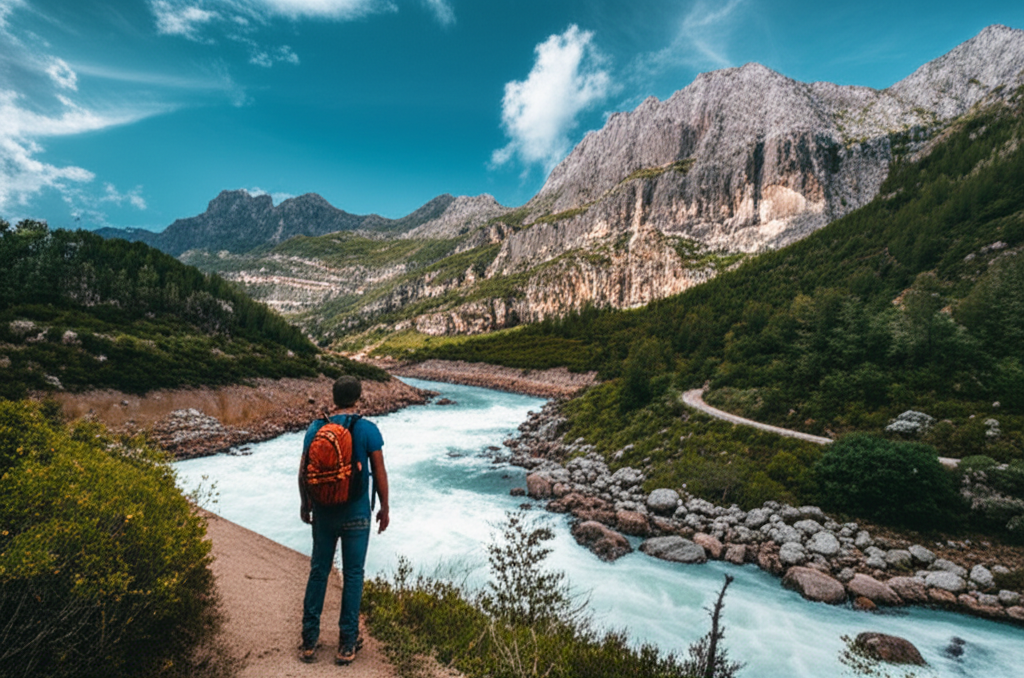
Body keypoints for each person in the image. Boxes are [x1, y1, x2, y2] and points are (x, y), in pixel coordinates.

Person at [298, 375, 390, 665]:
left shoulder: (317, 428)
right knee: (353, 576)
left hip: (324, 513)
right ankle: (346, 644)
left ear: (334, 397)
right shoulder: (367, 429)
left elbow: (303, 472)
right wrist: (385, 507)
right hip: (357, 515)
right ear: (358, 397)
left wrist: (305, 503)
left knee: (319, 571)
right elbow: (380, 473)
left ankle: (309, 642)